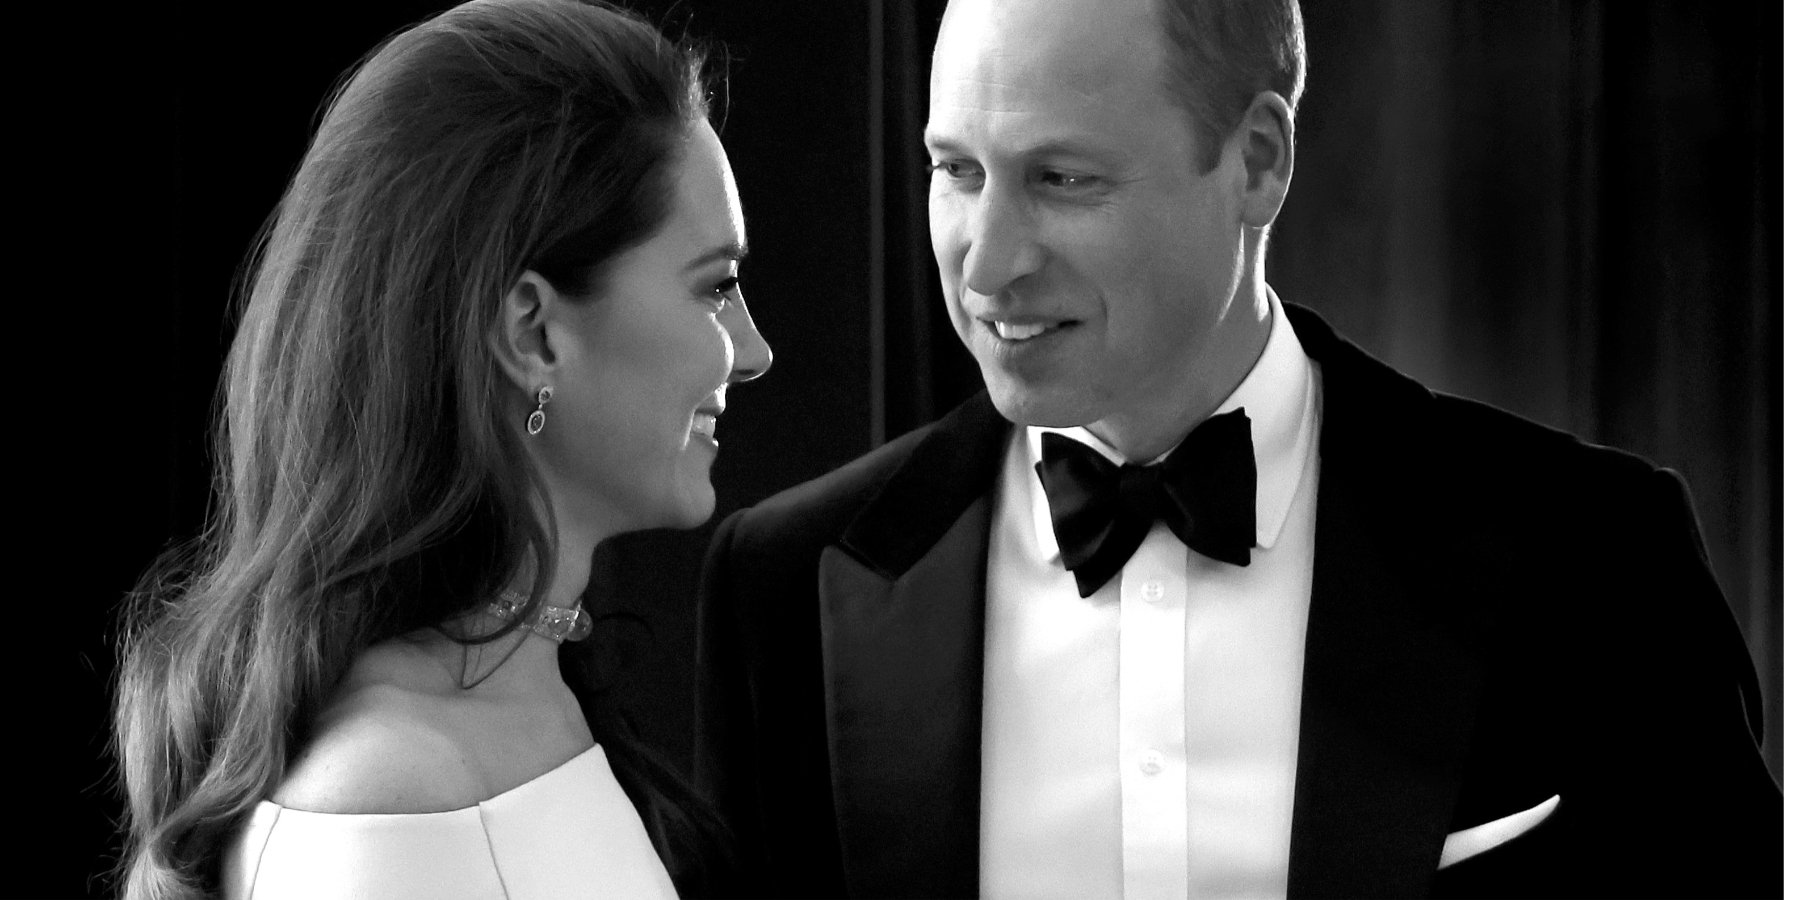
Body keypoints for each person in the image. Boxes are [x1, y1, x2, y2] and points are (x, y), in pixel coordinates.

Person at [692, 0, 1780, 897]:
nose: (986, 269)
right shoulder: (785, 586)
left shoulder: (1599, 557)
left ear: (1257, 162)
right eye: (958, 172)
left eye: (1063, 179)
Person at [112, 1, 771, 897]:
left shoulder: (514, 689)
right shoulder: (392, 803)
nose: (756, 350)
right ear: (533, 331)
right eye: (717, 286)